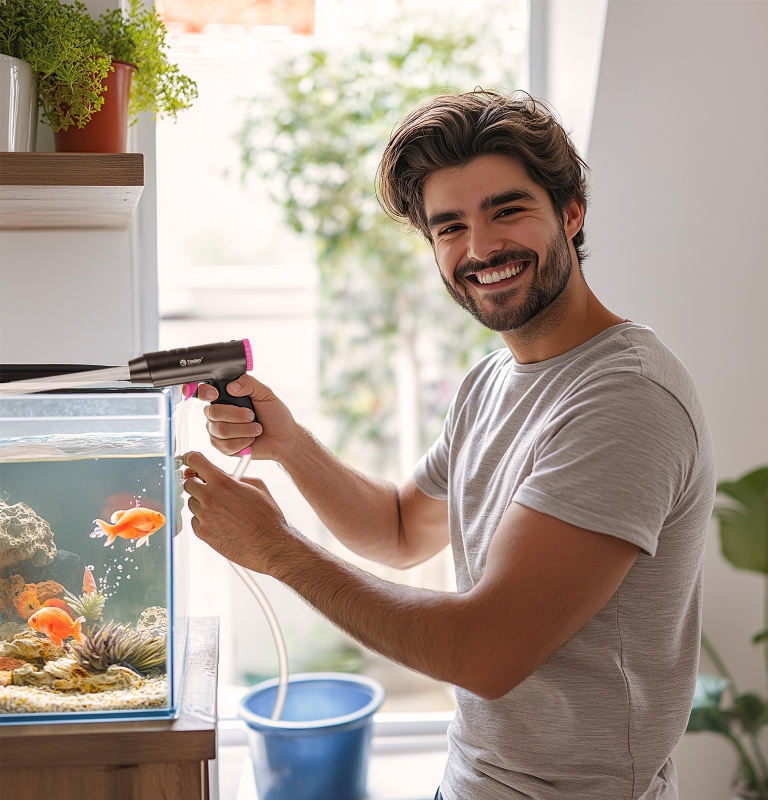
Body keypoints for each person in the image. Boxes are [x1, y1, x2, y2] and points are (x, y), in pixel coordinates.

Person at [182, 89, 715, 799]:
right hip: (471, 781)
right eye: (450, 226)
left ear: (571, 212)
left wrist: (279, 551)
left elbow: (486, 651)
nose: (481, 248)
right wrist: (290, 443)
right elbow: (401, 530)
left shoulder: (626, 400)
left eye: (507, 210)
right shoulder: (493, 378)